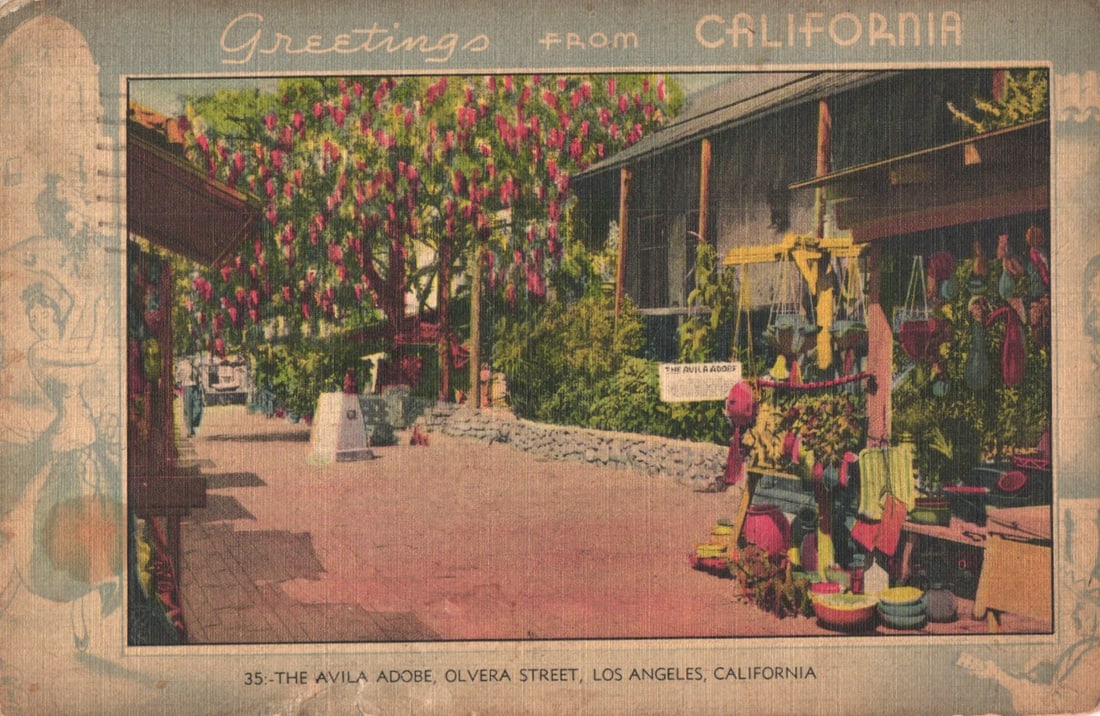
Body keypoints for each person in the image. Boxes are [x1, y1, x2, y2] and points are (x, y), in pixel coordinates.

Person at [0, 284, 118, 651]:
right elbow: (91, 355)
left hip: (87, 449)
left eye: (43, 313)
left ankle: (86, 620)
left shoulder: (59, 346)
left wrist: (81, 298)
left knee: (87, 538)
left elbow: (76, 316)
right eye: (33, 318)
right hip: (69, 454)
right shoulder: (41, 353)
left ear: (54, 313)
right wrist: (100, 317)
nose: (38, 321)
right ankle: (87, 608)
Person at [176, 355, 202, 437]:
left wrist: (201, 384)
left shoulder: (195, 364)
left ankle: (192, 423)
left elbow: (199, 375)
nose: (191, 358)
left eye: (192, 357)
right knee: (188, 408)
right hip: (187, 387)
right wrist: (179, 383)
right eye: (189, 357)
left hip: (195, 387)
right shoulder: (182, 364)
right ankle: (190, 430)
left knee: (198, 408)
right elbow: (178, 375)